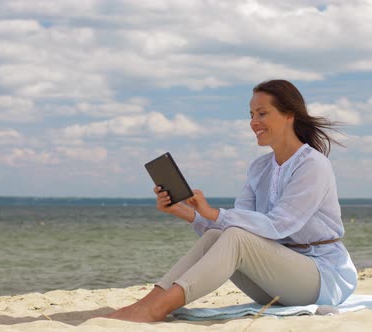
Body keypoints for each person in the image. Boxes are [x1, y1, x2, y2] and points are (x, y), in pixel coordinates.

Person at [104, 79, 358, 323]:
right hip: (276, 282)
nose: (253, 122)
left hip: (321, 279)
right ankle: (146, 304)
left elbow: (279, 225)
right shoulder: (259, 167)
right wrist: (184, 212)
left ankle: (158, 308)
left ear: (289, 114)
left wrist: (214, 213)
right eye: (251, 115)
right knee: (218, 236)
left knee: (234, 234)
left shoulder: (312, 164)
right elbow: (232, 226)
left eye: (262, 113)